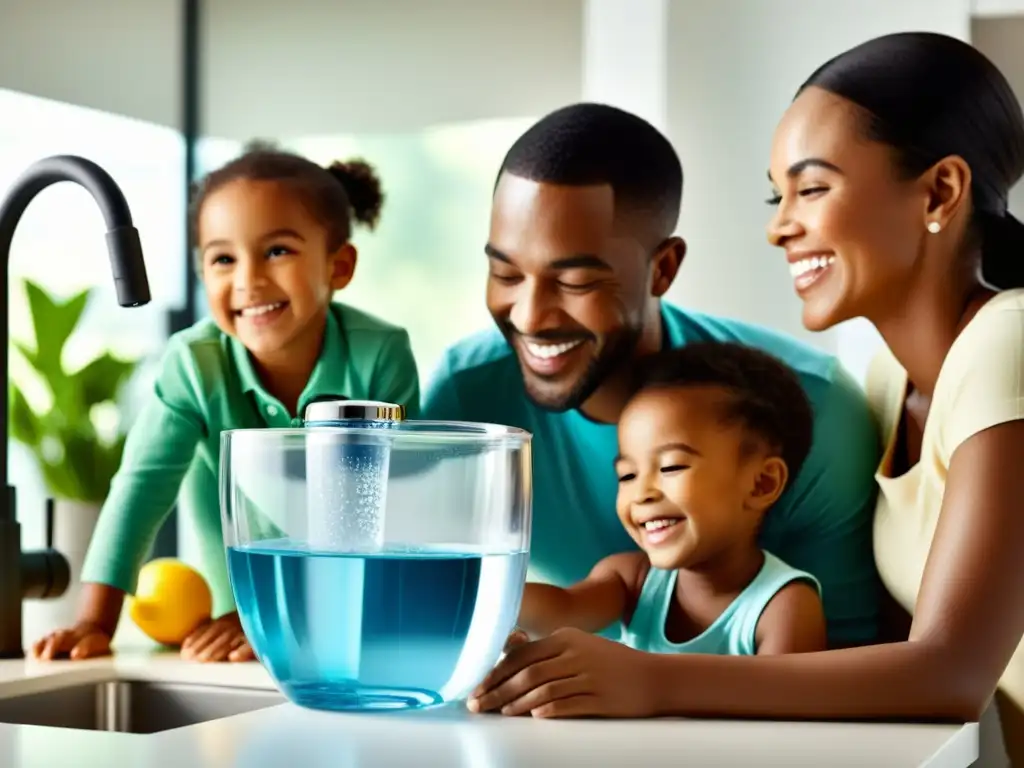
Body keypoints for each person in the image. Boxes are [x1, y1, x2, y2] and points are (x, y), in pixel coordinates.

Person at [468, 30, 1024, 765]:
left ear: (940, 191)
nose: (778, 226)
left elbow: (950, 673)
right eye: (777, 194)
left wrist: (655, 681)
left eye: (814, 188)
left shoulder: (1007, 344)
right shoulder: (895, 380)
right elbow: (891, 662)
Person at [422, 102, 881, 649]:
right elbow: (448, 615)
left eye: (574, 283)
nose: (528, 316)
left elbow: (846, 674)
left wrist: (649, 687)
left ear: (662, 268)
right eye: (505, 273)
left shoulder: (811, 408)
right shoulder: (465, 399)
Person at [31, 146, 421, 663]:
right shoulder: (194, 362)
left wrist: (281, 610)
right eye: (222, 259)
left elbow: (377, 512)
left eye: (277, 251)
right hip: (227, 636)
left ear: (339, 265)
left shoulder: (380, 356)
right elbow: (142, 485)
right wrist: (93, 622)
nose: (248, 280)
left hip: (349, 625)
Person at [515, 342, 827, 658]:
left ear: (762, 484)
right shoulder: (631, 580)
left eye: (671, 467)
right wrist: (479, 598)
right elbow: (562, 609)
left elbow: (782, 700)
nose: (643, 493)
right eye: (627, 476)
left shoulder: (785, 606)